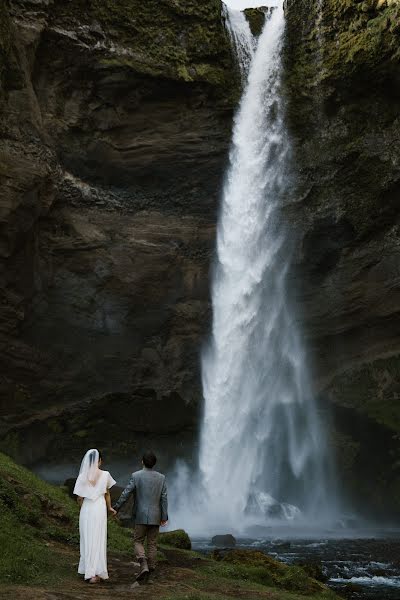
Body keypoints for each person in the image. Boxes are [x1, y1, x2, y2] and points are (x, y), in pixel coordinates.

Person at [113, 451, 168, 582]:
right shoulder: (161, 478)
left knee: (138, 540)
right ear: (154, 463)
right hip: (156, 515)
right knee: (152, 544)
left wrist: (116, 507)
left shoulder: (136, 476)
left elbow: (126, 493)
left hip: (140, 514)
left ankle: (143, 564)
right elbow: (164, 498)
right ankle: (151, 569)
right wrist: (164, 516)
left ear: (142, 461)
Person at [73, 449, 116, 583]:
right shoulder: (105, 474)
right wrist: (109, 507)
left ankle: (88, 570)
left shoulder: (82, 476)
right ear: (100, 461)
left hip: (87, 508)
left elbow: (79, 498)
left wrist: (83, 509)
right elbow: (107, 493)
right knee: (98, 538)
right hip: (99, 508)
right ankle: (96, 572)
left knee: (87, 538)